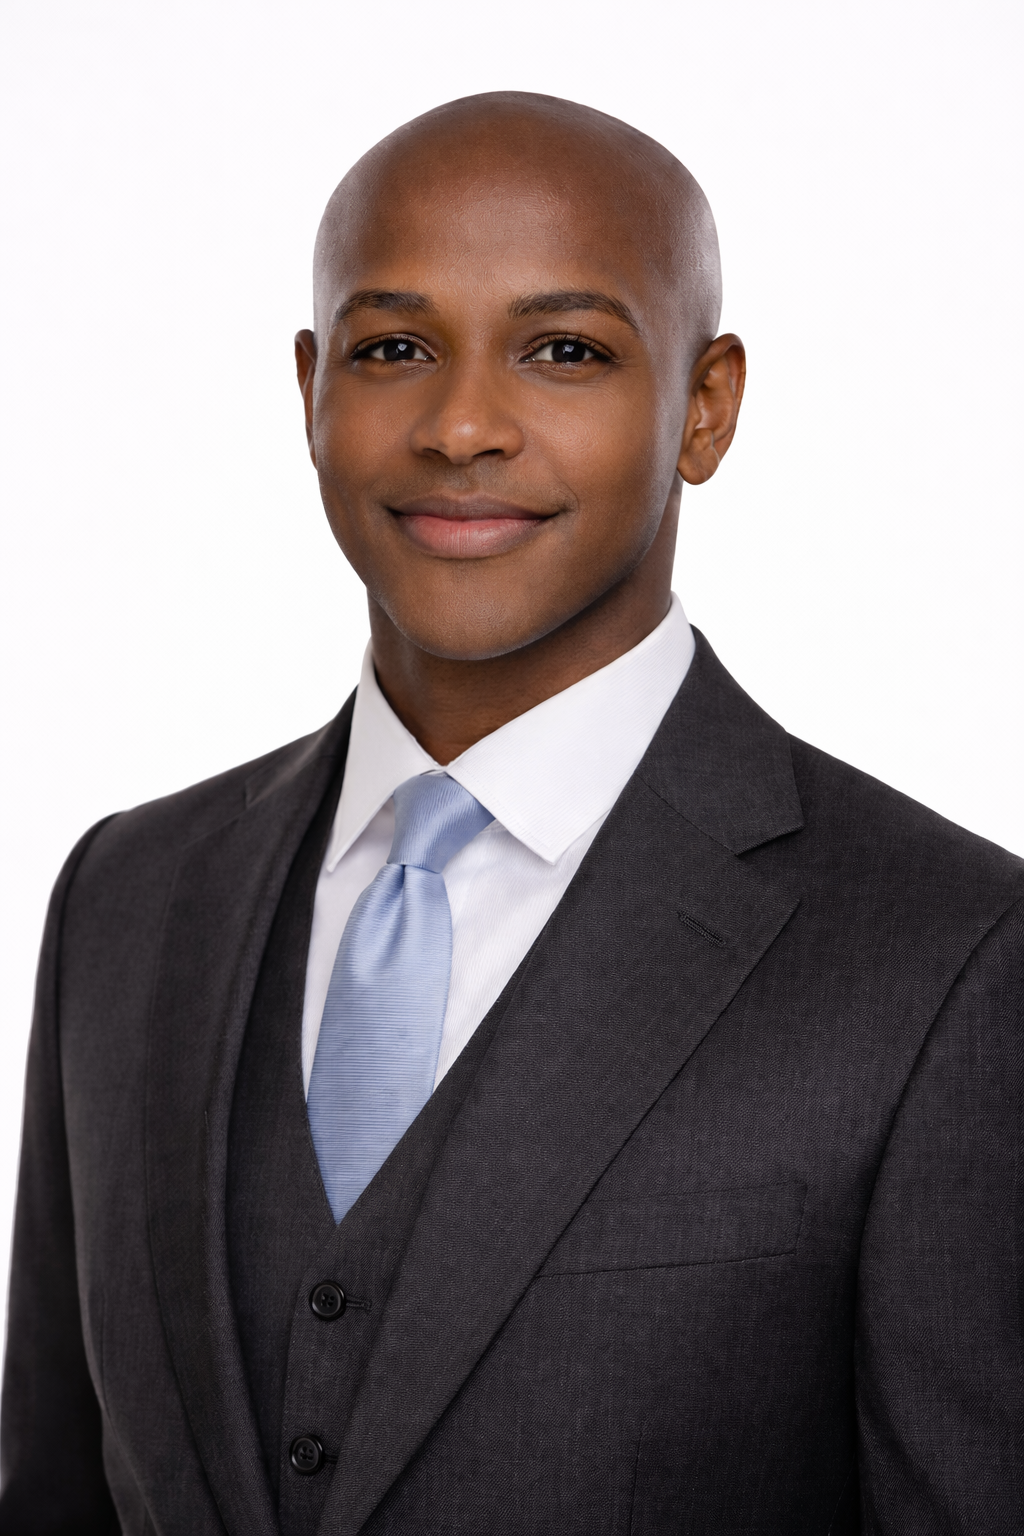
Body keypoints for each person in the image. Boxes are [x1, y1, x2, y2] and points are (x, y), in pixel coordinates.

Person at [1, 90, 1021, 1536]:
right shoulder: (127, 893)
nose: (462, 425)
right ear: (311, 390)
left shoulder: (950, 955)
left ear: (707, 407)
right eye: (393, 349)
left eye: (565, 351)